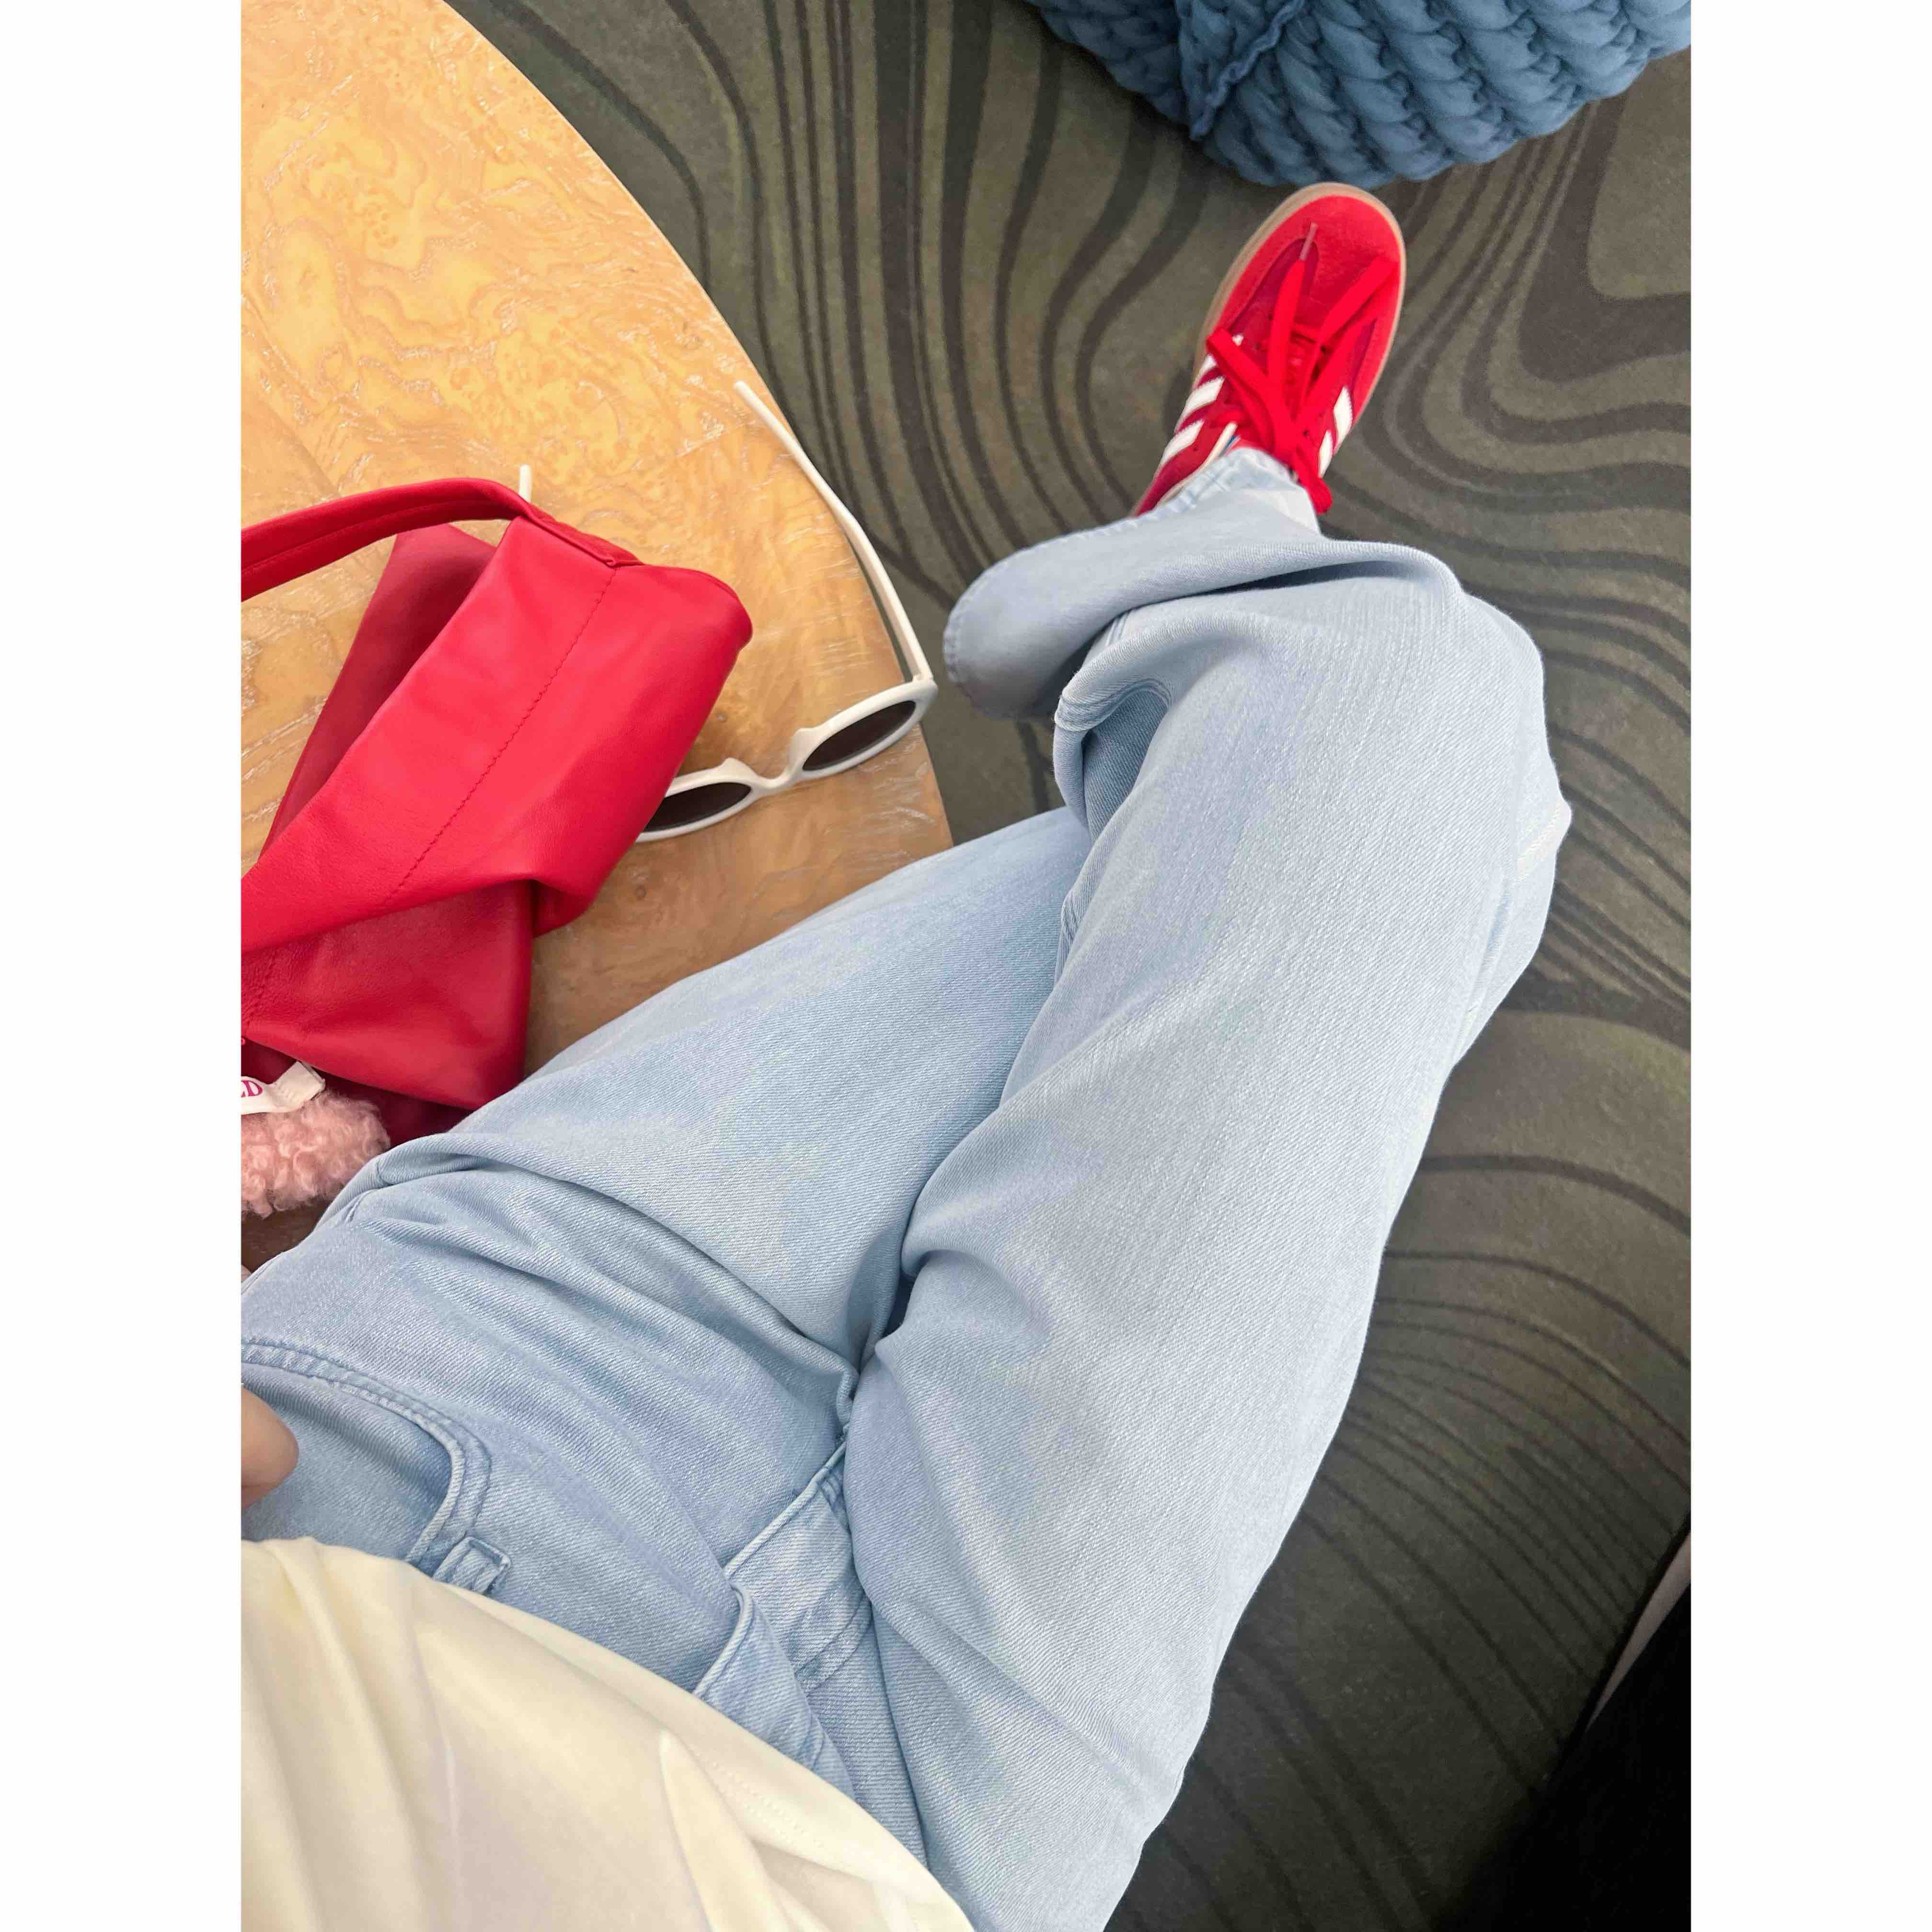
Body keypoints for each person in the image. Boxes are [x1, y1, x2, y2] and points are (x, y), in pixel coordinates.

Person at [241, 184, 1570, 1932]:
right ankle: (1204, 562)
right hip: (905, 1830)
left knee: (1362, 802)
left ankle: (1210, 612)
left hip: (435, 1438)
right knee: (1401, 711)